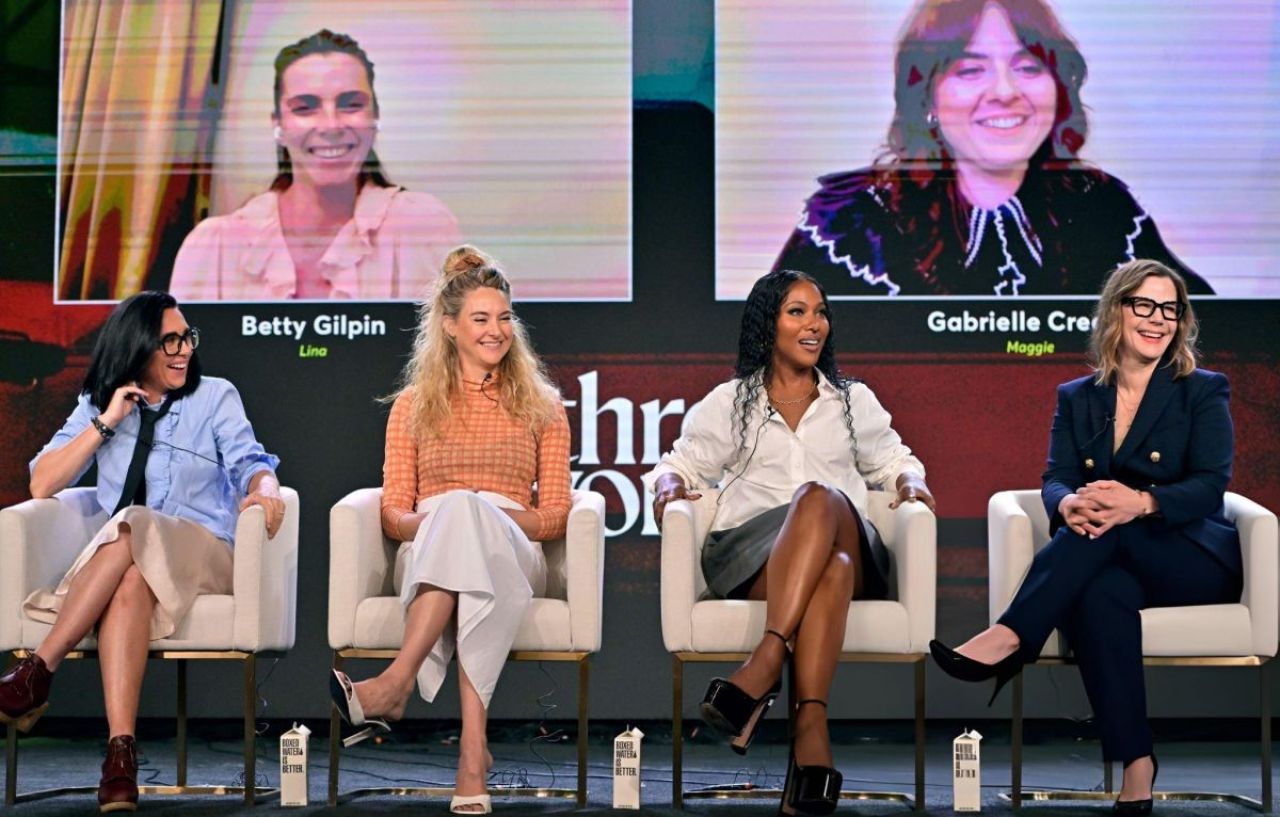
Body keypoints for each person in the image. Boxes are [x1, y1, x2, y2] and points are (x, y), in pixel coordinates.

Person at [931, 259, 1239, 814]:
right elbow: (1056, 478)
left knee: (1107, 531)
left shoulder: (1201, 390)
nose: (1157, 320)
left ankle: (1009, 636)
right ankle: (1138, 763)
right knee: (1100, 593)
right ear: (1116, 311)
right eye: (1143, 305)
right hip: (1114, 558)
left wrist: (1139, 503)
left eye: (1170, 309)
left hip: (1191, 556)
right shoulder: (1077, 396)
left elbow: (1211, 486)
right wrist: (1068, 503)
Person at [644, 268, 935, 816]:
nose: (814, 324)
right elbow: (677, 463)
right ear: (767, 326)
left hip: (845, 523)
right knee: (834, 569)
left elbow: (896, 459)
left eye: (820, 312)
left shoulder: (853, 400)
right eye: (797, 312)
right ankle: (811, 727)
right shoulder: (732, 401)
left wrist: (910, 482)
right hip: (755, 555)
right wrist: (668, 486)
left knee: (820, 498)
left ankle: (763, 662)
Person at [0, 291, 283, 813]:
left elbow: (250, 460)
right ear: (136, 348)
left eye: (186, 338)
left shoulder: (216, 396)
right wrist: (107, 421)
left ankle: (39, 671)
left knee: (130, 523)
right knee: (131, 574)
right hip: (129, 560)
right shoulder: (99, 402)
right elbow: (42, 483)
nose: (183, 351)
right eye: (168, 341)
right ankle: (120, 757)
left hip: (204, 556)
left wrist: (264, 487)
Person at [328, 246, 570, 815]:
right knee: (457, 519)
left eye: (505, 318)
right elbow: (393, 514)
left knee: (468, 516)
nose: (497, 330)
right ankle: (471, 747)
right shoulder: (412, 406)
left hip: (512, 547)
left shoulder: (543, 406)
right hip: (432, 542)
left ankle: (393, 685)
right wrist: (451, 514)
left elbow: (555, 516)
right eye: (482, 319)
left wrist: (487, 514)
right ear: (450, 327)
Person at [772, 0, 1213, 297]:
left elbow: (1221, 339)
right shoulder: (852, 221)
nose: (1005, 91)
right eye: (970, 70)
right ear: (926, 97)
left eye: (1028, 66)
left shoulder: (1103, 209)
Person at [169, 29, 460, 301]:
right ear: (278, 125)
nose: (330, 125)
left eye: (351, 104)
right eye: (305, 107)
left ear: (375, 118)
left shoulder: (422, 228)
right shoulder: (212, 248)